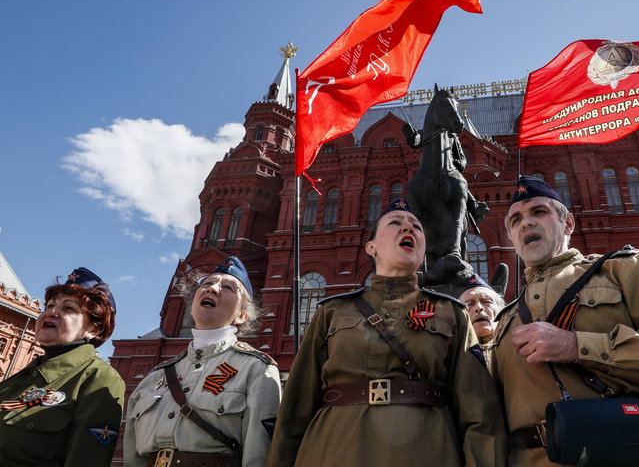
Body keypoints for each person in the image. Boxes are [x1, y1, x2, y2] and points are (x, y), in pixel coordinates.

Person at [490, 175, 639, 467]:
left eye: (539, 212)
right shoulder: (505, 319)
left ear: (568, 224)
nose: (526, 223)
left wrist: (578, 345)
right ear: (510, 238)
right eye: (515, 220)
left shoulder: (622, 270)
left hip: (628, 451)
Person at [267, 199, 506, 467]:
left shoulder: (452, 313)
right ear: (371, 247)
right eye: (396, 223)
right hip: (332, 450)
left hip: (426, 452)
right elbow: (294, 409)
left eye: (416, 227)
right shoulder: (332, 311)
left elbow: (480, 412)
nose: (409, 228)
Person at [124, 256, 281, 467]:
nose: (212, 289)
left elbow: (259, 453)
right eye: (206, 283)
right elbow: (133, 458)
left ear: (242, 315)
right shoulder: (156, 377)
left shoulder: (255, 368)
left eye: (228, 288)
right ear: (192, 306)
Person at [0, 267, 124, 467]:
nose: (51, 312)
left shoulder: (97, 378)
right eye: (49, 305)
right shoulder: (19, 378)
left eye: (68, 308)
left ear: (93, 328)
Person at [458, 274, 505, 366]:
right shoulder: (452, 354)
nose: (478, 308)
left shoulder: (519, 347)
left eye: (486, 301)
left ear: (501, 309)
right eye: (469, 304)